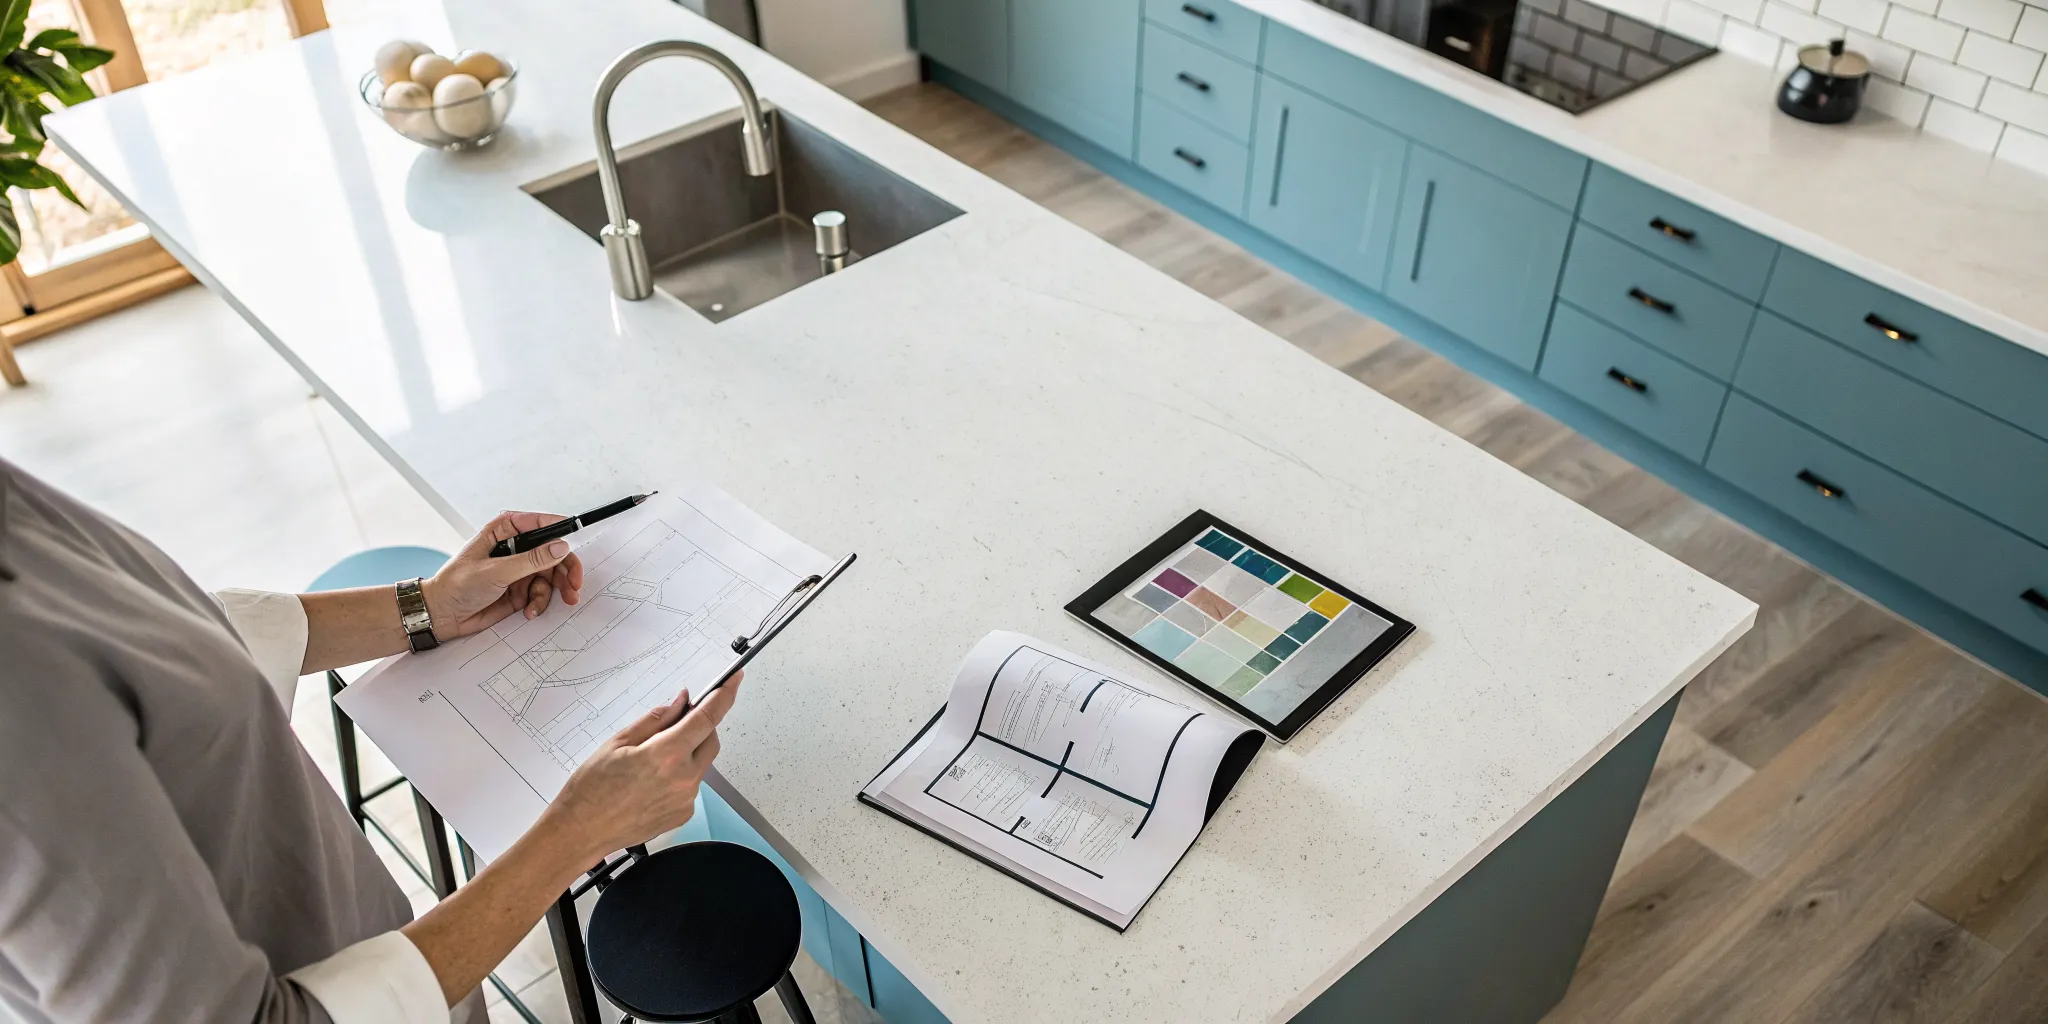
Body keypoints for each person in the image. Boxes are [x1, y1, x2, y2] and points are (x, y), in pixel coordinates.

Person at [0, 456, 739, 1023]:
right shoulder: (19, 707)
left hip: (378, 951)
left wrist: (425, 609)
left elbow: (174, 638)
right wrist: (578, 834)